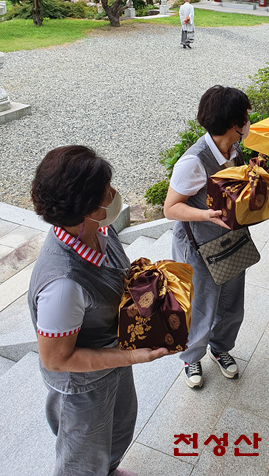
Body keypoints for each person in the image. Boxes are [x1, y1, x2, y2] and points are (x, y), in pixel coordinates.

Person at [28, 145, 169, 476]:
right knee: (81, 461)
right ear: (87, 208)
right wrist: (134, 356)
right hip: (83, 387)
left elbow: (115, 273)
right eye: (108, 190)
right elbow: (56, 359)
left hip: (112, 361)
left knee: (119, 429)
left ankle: (108, 469)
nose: (115, 193)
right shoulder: (63, 285)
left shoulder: (99, 231)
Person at [164, 85, 251, 388]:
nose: (248, 121)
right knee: (199, 305)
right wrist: (205, 215)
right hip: (198, 244)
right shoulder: (194, 162)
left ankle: (221, 347)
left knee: (231, 302)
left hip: (230, 240)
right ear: (233, 124)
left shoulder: (234, 149)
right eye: (245, 116)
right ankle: (191, 357)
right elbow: (171, 208)